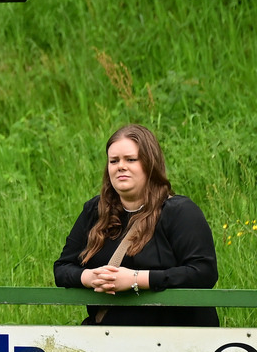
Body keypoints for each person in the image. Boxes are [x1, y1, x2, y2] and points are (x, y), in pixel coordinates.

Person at [54, 123, 218, 326]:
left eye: (131, 159)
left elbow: (203, 272)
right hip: (110, 339)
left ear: (150, 164)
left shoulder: (179, 211)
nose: (121, 166)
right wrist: (89, 277)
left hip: (175, 340)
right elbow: (61, 269)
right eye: (114, 161)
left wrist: (137, 279)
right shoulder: (94, 211)